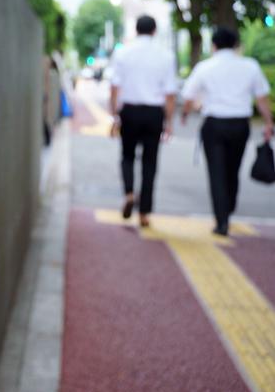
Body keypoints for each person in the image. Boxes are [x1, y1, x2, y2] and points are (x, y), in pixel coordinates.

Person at [180, 27, 273, 236]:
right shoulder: (250, 66)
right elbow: (261, 98)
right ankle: (229, 207)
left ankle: (221, 219)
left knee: (216, 172)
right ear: (236, 45)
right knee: (233, 169)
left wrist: (186, 113)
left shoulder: (205, 67)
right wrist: (268, 122)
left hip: (214, 125)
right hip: (240, 124)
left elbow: (188, 95)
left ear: (213, 45)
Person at [108, 15, 178, 227]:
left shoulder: (122, 52)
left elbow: (114, 86)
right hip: (154, 113)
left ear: (136, 30)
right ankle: (145, 212)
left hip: (129, 110)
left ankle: (129, 193)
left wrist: (115, 115)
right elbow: (170, 93)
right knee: (150, 161)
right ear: (154, 31)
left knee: (127, 156)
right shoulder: (166, 55)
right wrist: (168, 122)